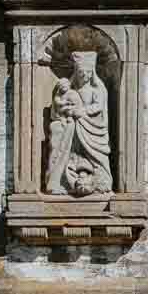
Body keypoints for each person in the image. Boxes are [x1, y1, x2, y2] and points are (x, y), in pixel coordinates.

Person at [44, 49, 112, 196]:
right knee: (68, 149)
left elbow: (98, 106)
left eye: (87, 72)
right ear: (76, 72)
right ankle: (65, 179)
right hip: (72, 126)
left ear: (92, 73)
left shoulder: (97, 89)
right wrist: (67, 110)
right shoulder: (71, 89)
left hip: (91, 126)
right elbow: (60, 103)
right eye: (81, 72)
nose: (84, 75)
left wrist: (83, 111)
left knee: (96, 153)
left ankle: (100, 179)